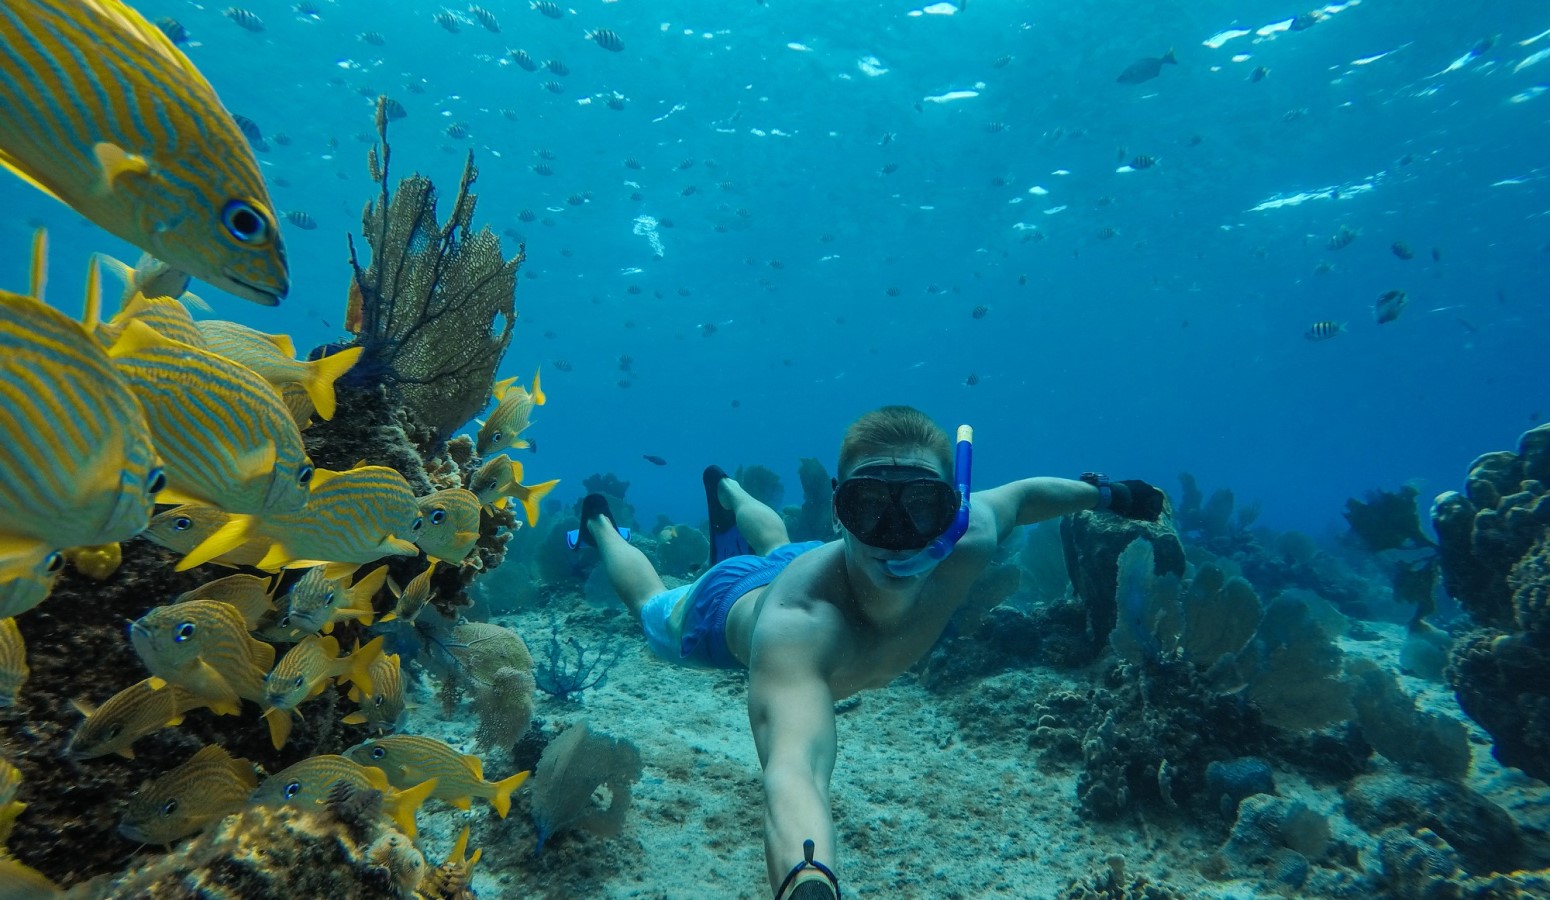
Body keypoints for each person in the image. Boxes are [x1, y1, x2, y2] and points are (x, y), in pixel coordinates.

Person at [570, 406, 1165, 899]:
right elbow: (794, 768)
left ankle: (725, 486)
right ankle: (599, 523)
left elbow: (1026, 495)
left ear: (951, 508)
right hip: (723, 605)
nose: (893, 538)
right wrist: (810, 883)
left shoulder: (972, 531)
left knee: (778, 542)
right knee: (651, 607)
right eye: (869, 507)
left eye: (921, 509)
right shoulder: (798, 629)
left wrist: (1110, 494)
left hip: (810, 558)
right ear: (839, 508)